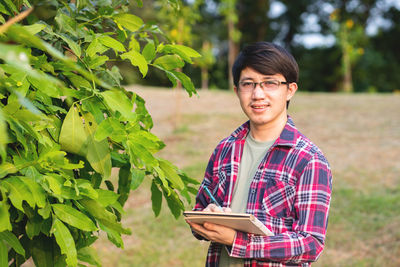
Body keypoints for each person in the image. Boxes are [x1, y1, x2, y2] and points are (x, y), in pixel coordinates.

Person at [186, 42, 332, 266]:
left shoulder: (308, 160)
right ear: (237, 91)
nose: (257, 94)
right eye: (248, 84)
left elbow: (311, 244)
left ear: (290, 90)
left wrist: (238, 241)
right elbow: (199, 213)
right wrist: (208, 215)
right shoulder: (225, 149)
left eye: (269, 83)